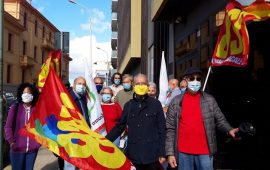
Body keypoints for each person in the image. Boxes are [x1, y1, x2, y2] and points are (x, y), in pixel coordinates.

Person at [165, 67, 239, 170]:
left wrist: (229, 129)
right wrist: (170, 153)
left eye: (198, 78)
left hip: (205, 152)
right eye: (191, 78)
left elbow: (220, 120)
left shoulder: (209, 100)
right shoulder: (176, 102)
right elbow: (170, 129)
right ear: (185, 80)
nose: (195, 81)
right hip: (183, 153)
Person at [106, 74, 166, 170]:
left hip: (152, 155)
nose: (141, 86)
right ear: (133, 86)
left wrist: (162, 152)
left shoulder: (155, 104)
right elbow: (119, 126)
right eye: (138, 83)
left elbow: (162, 129)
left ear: (147, 86)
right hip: (134, 156)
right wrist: (104, 140)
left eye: (143, 84)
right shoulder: (128, 105)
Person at [4, 83, 40, 170]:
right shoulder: (15, 108)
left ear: (33, 95)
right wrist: (12, 142)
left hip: (32, 150)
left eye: (29, 92)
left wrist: (38, 143)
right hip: (17, 149)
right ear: (21, 94)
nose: (26, 94)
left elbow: (40, 127)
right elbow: (8, 127)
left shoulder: (37, 110)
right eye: (24, 92)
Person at [64, 76, 90, 170]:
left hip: (84, 134)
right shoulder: (67, 98)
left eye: (83, 84)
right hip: (71, 135)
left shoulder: (84, 98)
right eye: (79, 84)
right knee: (70, 164)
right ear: (74, 85)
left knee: (81, 162)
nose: (82, 86)